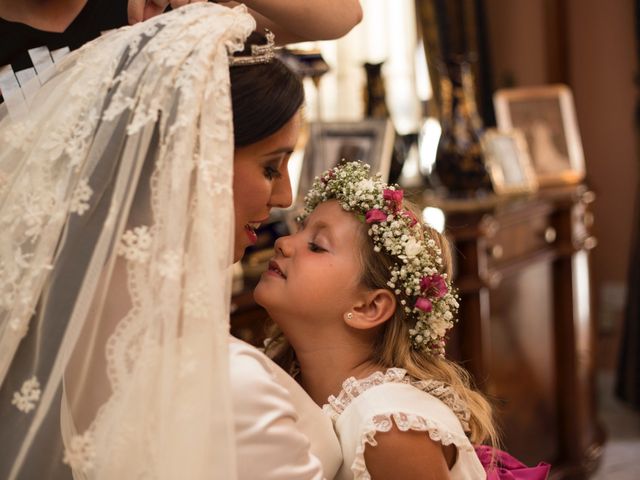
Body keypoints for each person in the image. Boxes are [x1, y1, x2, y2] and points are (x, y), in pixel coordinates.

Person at [0, 4, 340, 479]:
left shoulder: (70, 346)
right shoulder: (227, 385)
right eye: (269, 167)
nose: (283, 197)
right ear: (190, 156)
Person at [256, 161, 551, 479]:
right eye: (298, 230)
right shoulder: (281, 374)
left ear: (370, 307)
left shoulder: (391, 427)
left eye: (316, 246)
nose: (284, 243)